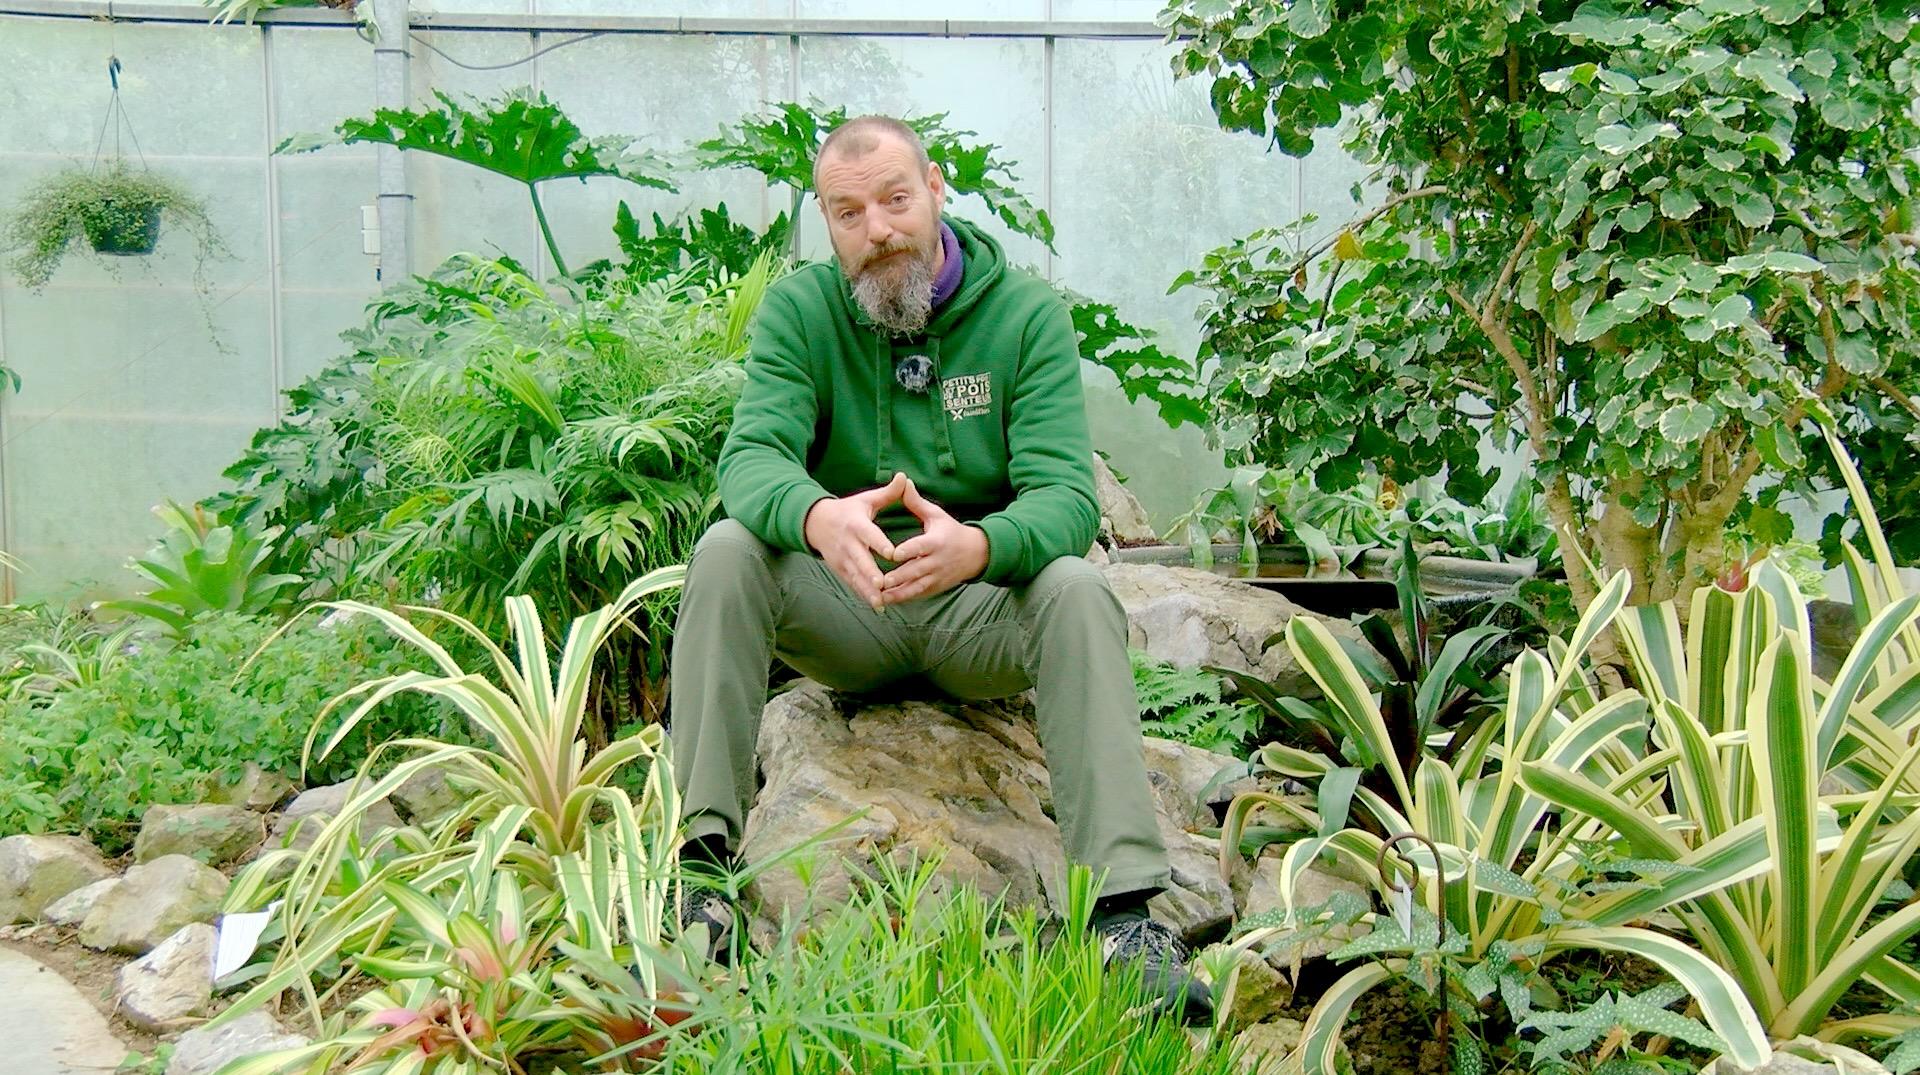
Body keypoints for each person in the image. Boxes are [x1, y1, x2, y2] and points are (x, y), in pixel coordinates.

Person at [667, 114, 1210, 1021]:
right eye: (848, 213)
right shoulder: (801, 312)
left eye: (894, 199)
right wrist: (816, 514)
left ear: (937, 189)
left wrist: (982, 545)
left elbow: (1067, 500)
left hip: (976, 616)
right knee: (727, 550)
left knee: (1078, 588)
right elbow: (750, 460)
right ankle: (706, 877)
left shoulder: (1025, 316)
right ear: (827, 222)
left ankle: (1120, 918)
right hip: (848, 609)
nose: (876, 230)